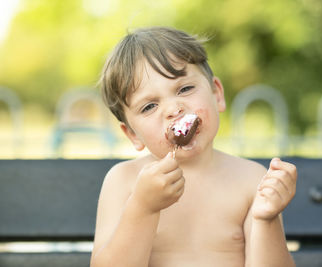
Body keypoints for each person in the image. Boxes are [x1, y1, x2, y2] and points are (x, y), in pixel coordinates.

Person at [90, 26, 297, 267]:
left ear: (216, 94)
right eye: (149, 107)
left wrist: (266, 219)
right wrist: (142, 207)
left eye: (185, 89)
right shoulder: (124, 182)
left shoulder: (251, 181)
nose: (173, 109)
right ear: (133, 135)